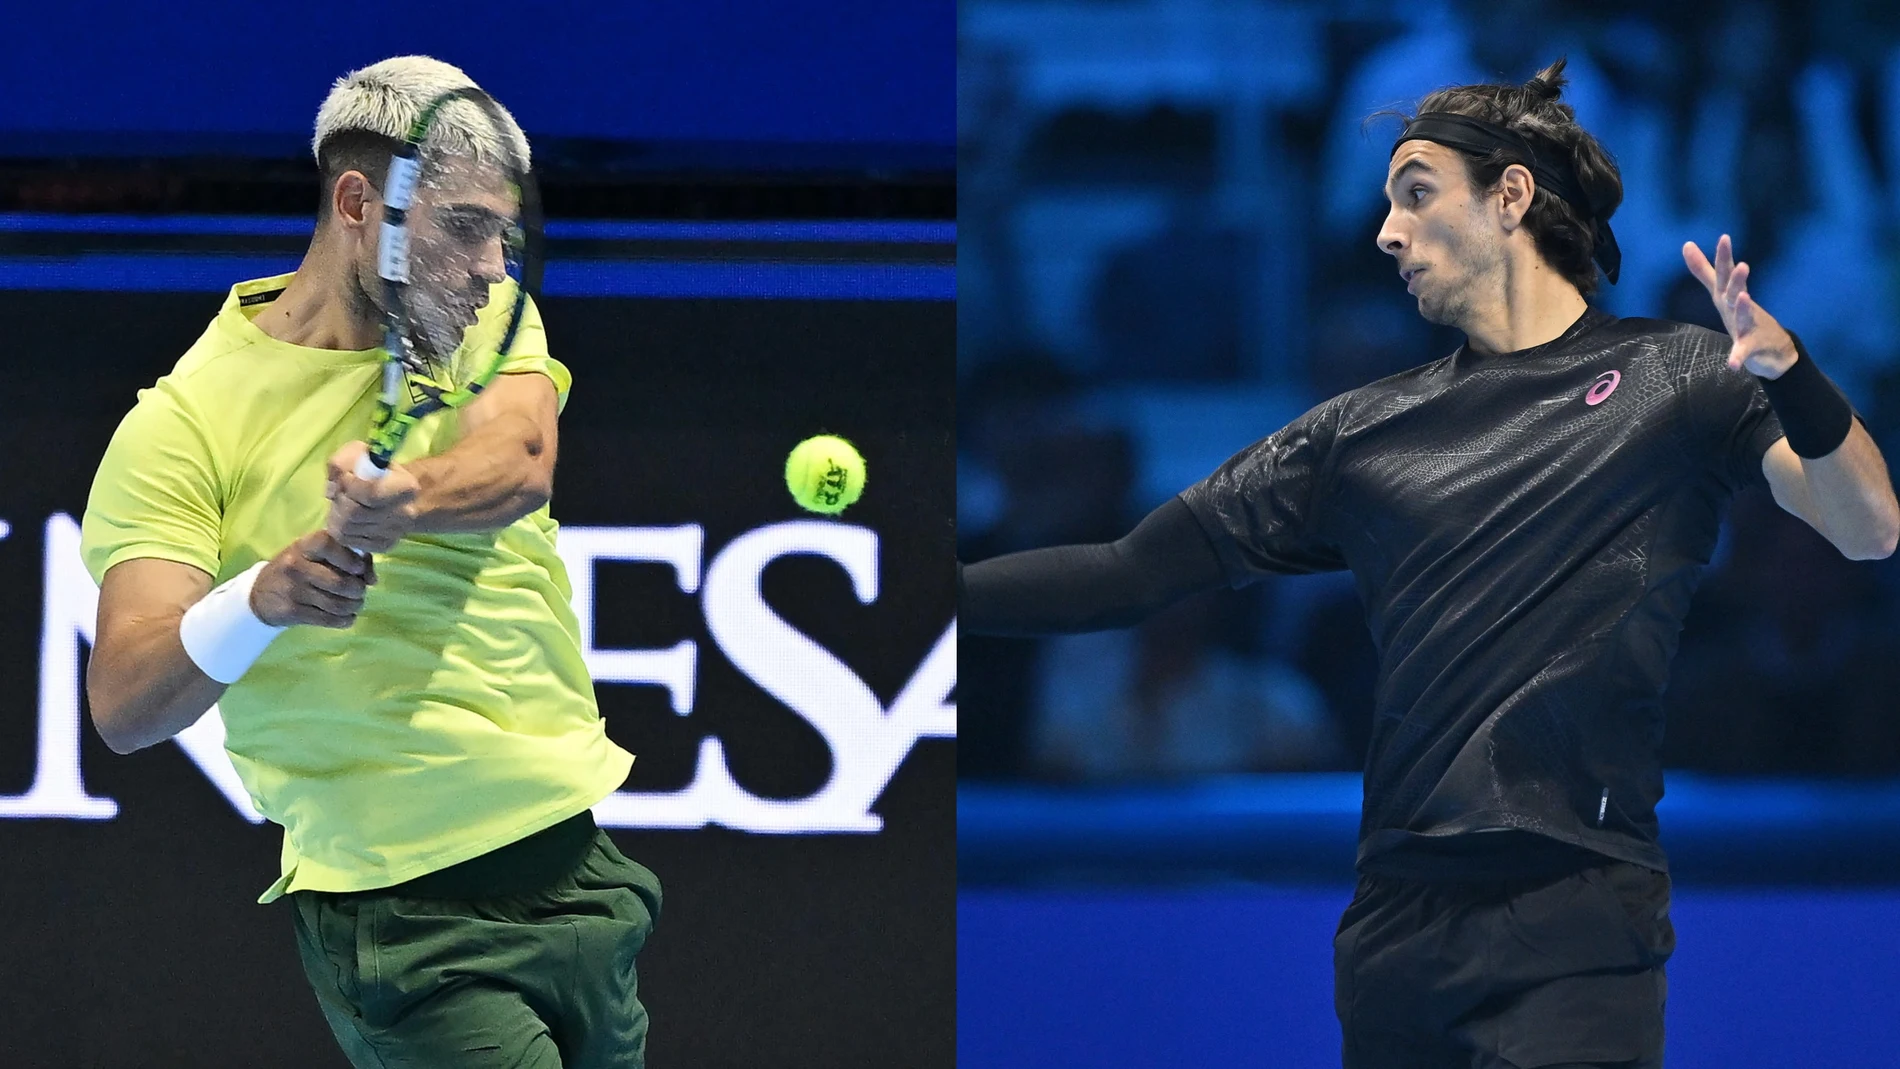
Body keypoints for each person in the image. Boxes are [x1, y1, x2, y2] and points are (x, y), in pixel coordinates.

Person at [959, 58, 1899, 1068]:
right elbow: (1126, 573)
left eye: (1414, 195)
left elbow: (1866, 526)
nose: (1386, 233)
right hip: (1395, 930)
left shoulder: (1672, 377)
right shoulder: (1356, 434)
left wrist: (1790, 374)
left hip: (1573, 912)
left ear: (1510, 196)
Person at [80, 56, 660, 1069]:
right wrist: (260, 598)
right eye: (466, 226)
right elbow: (127, 700)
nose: (491, 265)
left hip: (581, 873)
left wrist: (406, 502)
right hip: (404, 918)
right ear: (360, 202)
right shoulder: (182, 425)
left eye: (502, 231)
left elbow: (521, 456)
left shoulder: (482, 325)